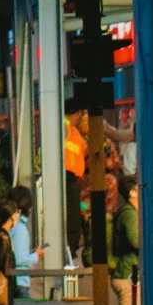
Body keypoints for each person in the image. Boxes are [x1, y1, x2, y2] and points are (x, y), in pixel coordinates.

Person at [110, 176, 140, 305]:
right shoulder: (129, 214)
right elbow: (137, 241)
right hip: (127, 274)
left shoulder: (129, 213)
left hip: (127, 273)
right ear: (132, 192)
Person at [64, 103, 90, 263]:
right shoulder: (64, 126)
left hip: (72, 179)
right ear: (78, 113)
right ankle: (70, 254)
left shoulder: (74, 131)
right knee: (72, 217)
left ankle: (71, 253)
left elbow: (83, 150)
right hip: (66, 178)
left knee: (74, 216)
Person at [7, 185, 40, 294]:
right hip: (19, 283)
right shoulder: (20, 229)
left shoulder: (9, 226)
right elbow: (19, 259)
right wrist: (36, 255)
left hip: (11, 282)